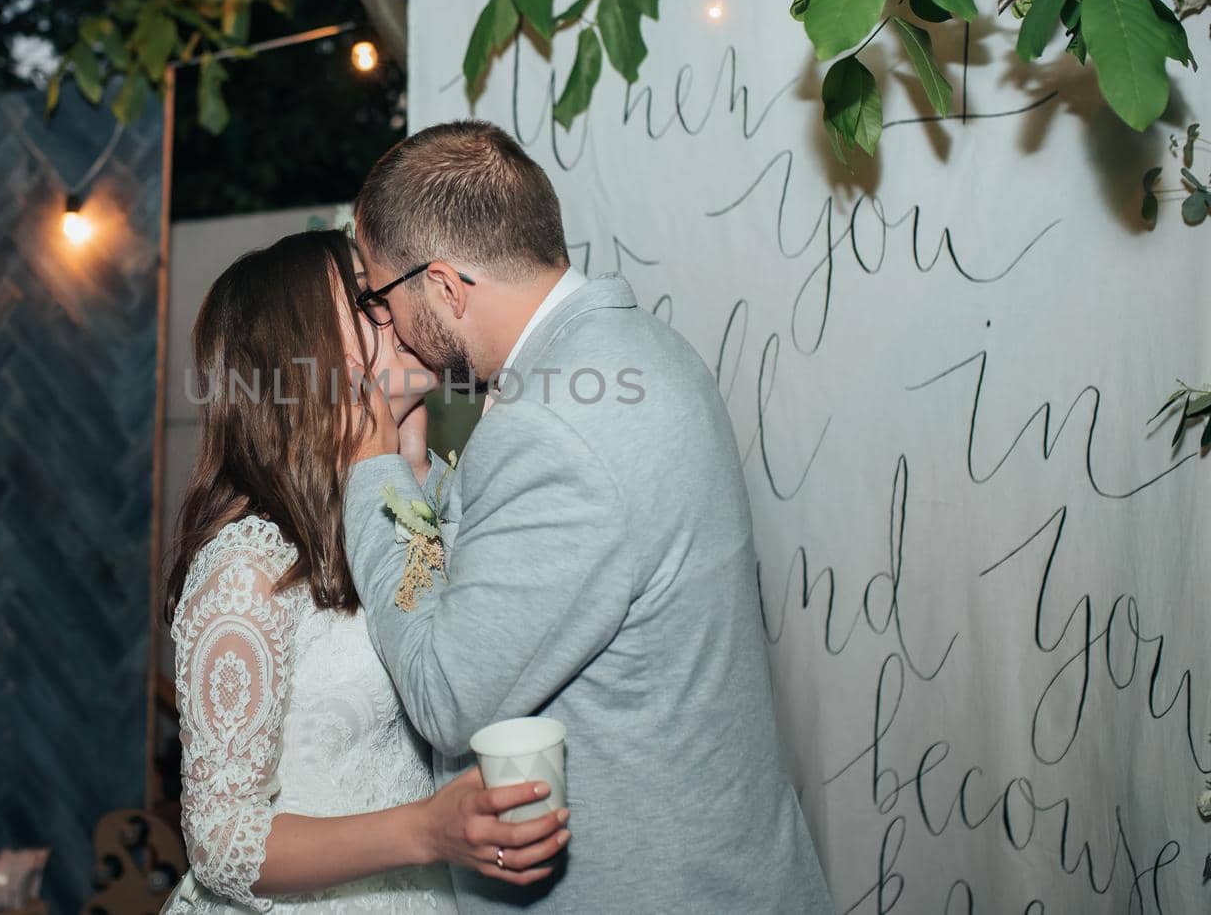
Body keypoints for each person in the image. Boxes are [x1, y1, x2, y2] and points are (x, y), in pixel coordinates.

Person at [343, 121, 835, 913]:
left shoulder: (553, 427)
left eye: (380, 293)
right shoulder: (644, 353)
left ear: (443, 286)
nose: (386, 323)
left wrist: (372, 474)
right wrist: (419, 475)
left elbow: (444, 694)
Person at [161, 229, 572, 913]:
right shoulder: (246, 566)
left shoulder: (421, 504)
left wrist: (404, 474)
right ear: (303, 358)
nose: (399, 304)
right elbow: (222, 842)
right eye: (366, 299)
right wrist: (425, 831)